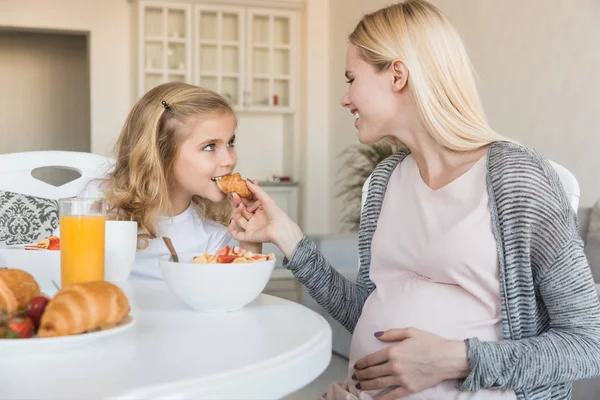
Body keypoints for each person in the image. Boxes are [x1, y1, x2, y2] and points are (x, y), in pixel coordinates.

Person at [227, 1, 600, 399]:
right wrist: (286, 235)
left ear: (398, 75)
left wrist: (458, 360)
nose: (345, 98)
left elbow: (588, 343)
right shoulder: (385, 181)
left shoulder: (516, 177)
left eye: (351, 78)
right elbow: (368, 314)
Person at [77, 82, 261, 279]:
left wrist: (250, 243)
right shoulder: (95, 203)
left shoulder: (213, 238)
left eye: (230, 143)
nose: (230, 160)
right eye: (209, 146)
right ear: (161, 153)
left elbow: (233, 298)